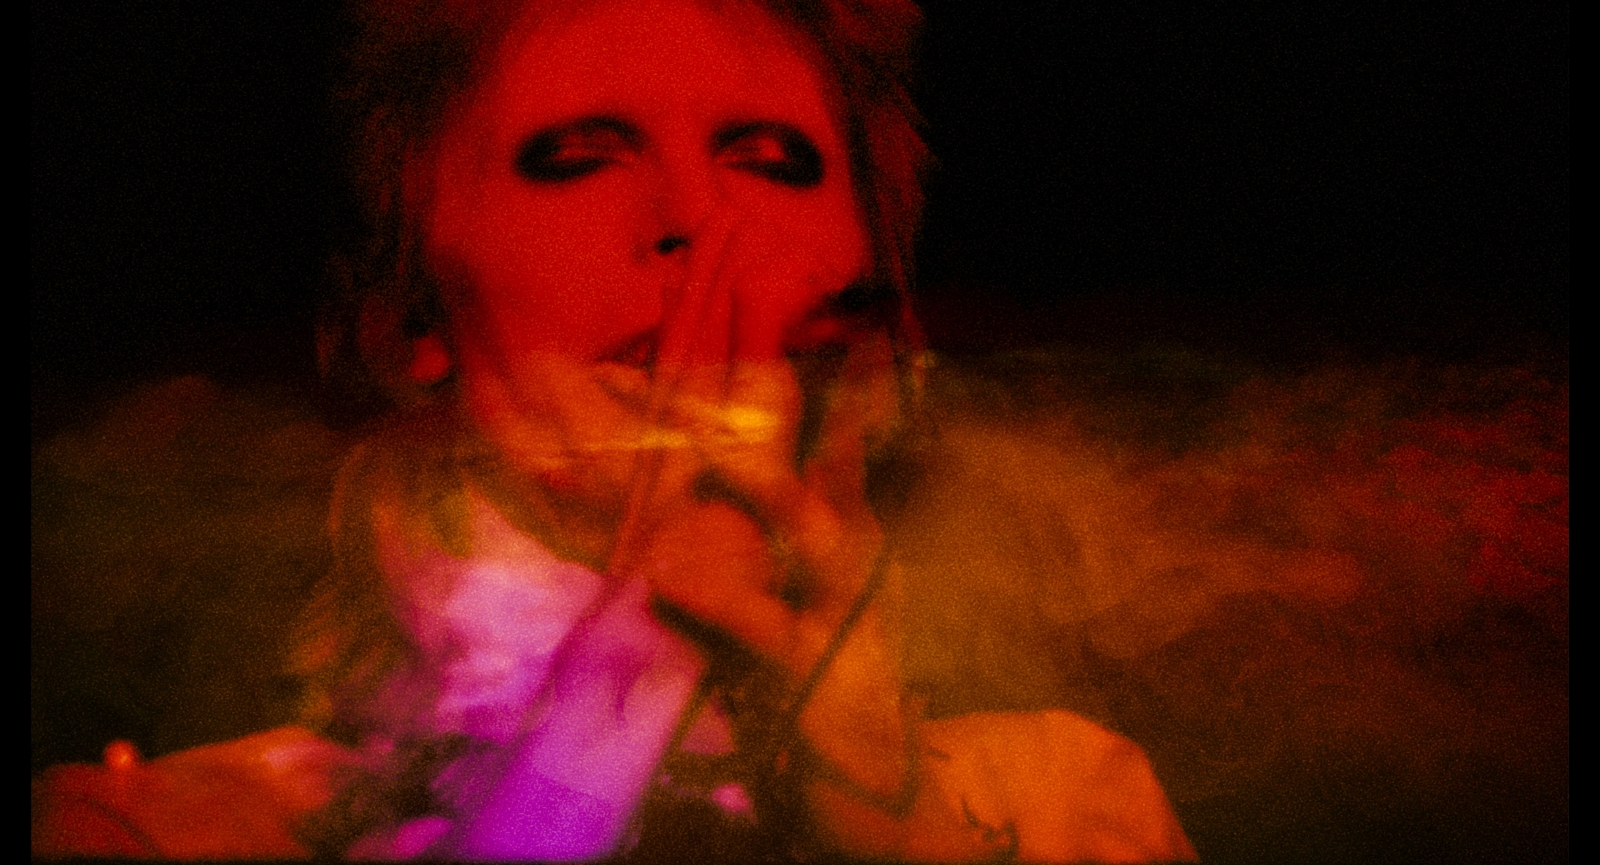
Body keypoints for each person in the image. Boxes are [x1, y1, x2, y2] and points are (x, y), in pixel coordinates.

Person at [33, 0, 1196, 860]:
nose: (692, 216)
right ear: (410, 314)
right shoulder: (166, 832)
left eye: (768, 162)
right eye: (580, 159)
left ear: (868, 298)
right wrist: (626, 678)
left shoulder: (1062, 808)